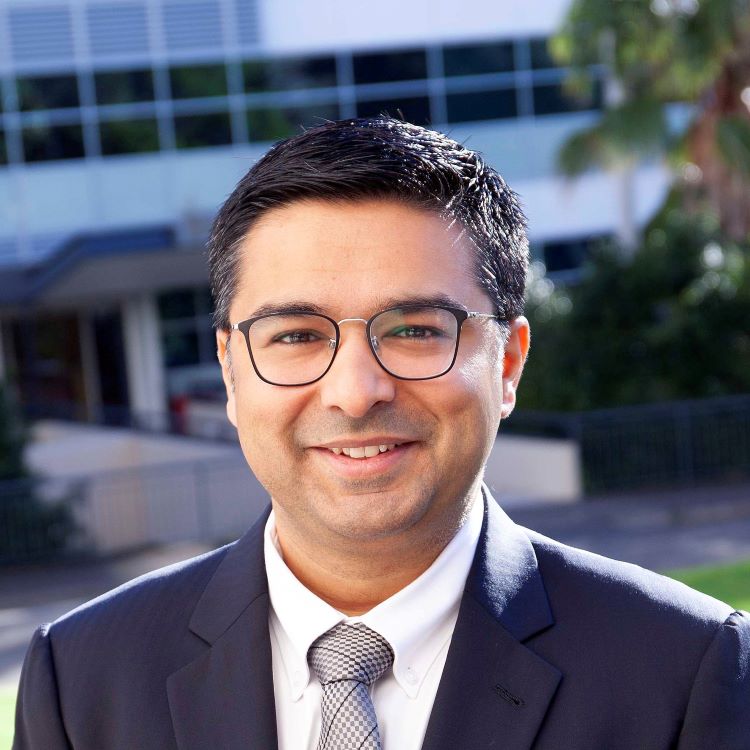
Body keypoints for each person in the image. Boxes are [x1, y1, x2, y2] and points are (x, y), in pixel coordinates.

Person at [13, 117, 750, 750]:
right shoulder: (80, 679)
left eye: (414, 330)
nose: (356, 392)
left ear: (508, 364)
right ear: (231, 372)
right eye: (296, 336)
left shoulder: (684, 670)